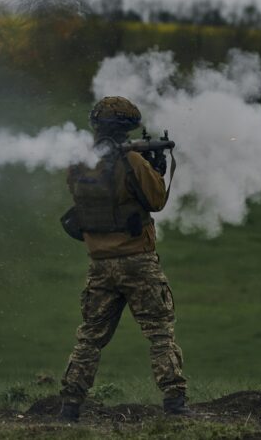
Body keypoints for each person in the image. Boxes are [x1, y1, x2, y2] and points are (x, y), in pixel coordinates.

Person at [58, 96, 192, 421]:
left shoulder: (79, 161)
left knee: (90, 336)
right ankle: (175, 402)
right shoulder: (131, 160)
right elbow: (156, 200)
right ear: (126, 128)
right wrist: (155, 169)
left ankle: (70, 405)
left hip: (100, 262)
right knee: (160, 332)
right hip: (137, 260)